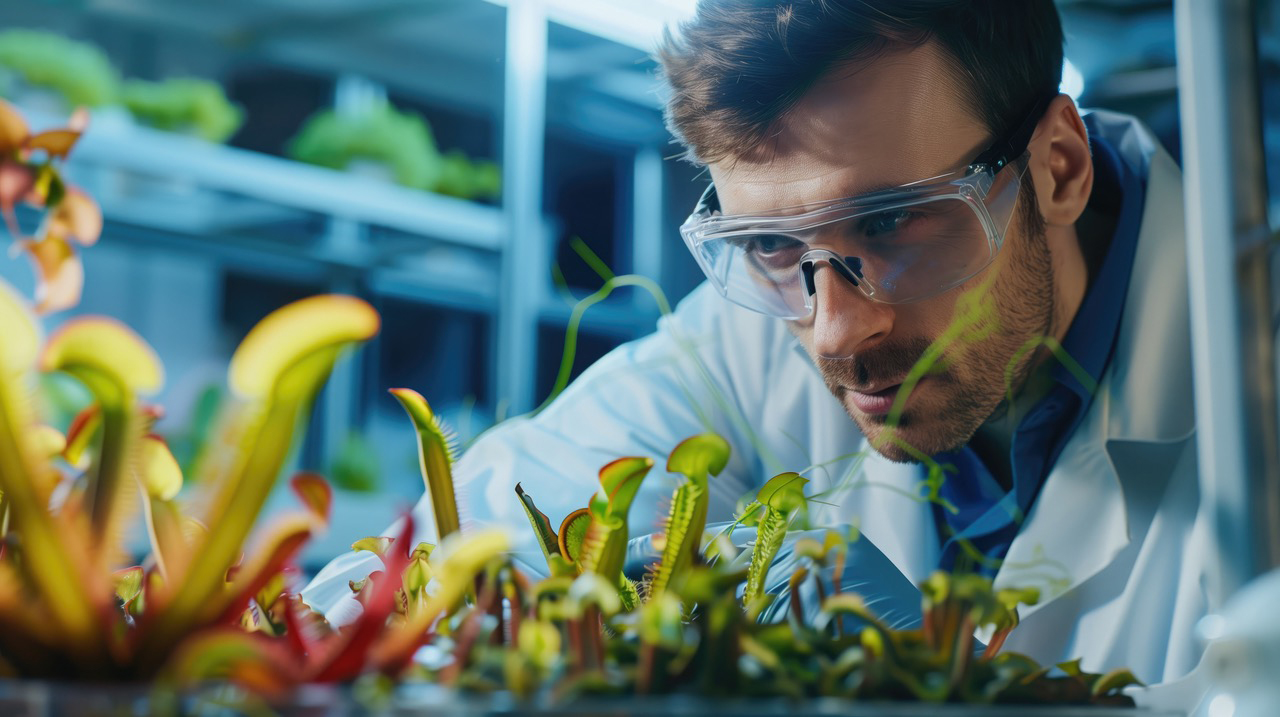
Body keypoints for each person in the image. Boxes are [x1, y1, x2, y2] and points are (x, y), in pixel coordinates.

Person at [305, 0, 1208, 688]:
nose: (837, 329)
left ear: (1058, 168)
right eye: (771, 246)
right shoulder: (742, 342)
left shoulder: (1252, 375)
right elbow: (449, 548)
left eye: (892, 220)